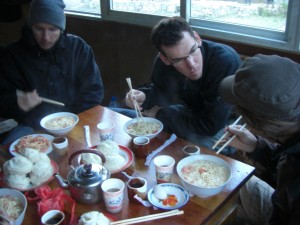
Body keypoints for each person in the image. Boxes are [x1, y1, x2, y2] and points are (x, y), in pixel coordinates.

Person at [124, 17, 241, 152]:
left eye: (192, 51)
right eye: (179, 60)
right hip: (192, 113)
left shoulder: (224, 62)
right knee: (139, 125)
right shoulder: (164, 62)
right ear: (165, 59)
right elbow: (161, 91)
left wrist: (160, 114)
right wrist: (144, 96)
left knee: (193, 147)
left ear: (197, 38)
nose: (191, 64)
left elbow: (211, 125)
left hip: (228, 122)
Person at [219, 54, 300, 225]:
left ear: (258, 123)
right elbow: (286, 162)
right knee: (226, 180)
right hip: (282, 205)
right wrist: (256, 147)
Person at [0, 0, 104, 131]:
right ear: (30, 26)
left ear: (61, 28)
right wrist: (17, 103)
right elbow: (2, 98)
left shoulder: (78, 48)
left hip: (76, 119)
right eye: (39, 29)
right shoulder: (12, 54)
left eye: (52, 29)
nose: (46, 38)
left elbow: (93, 92)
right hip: (31, 125)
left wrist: (72, 120)